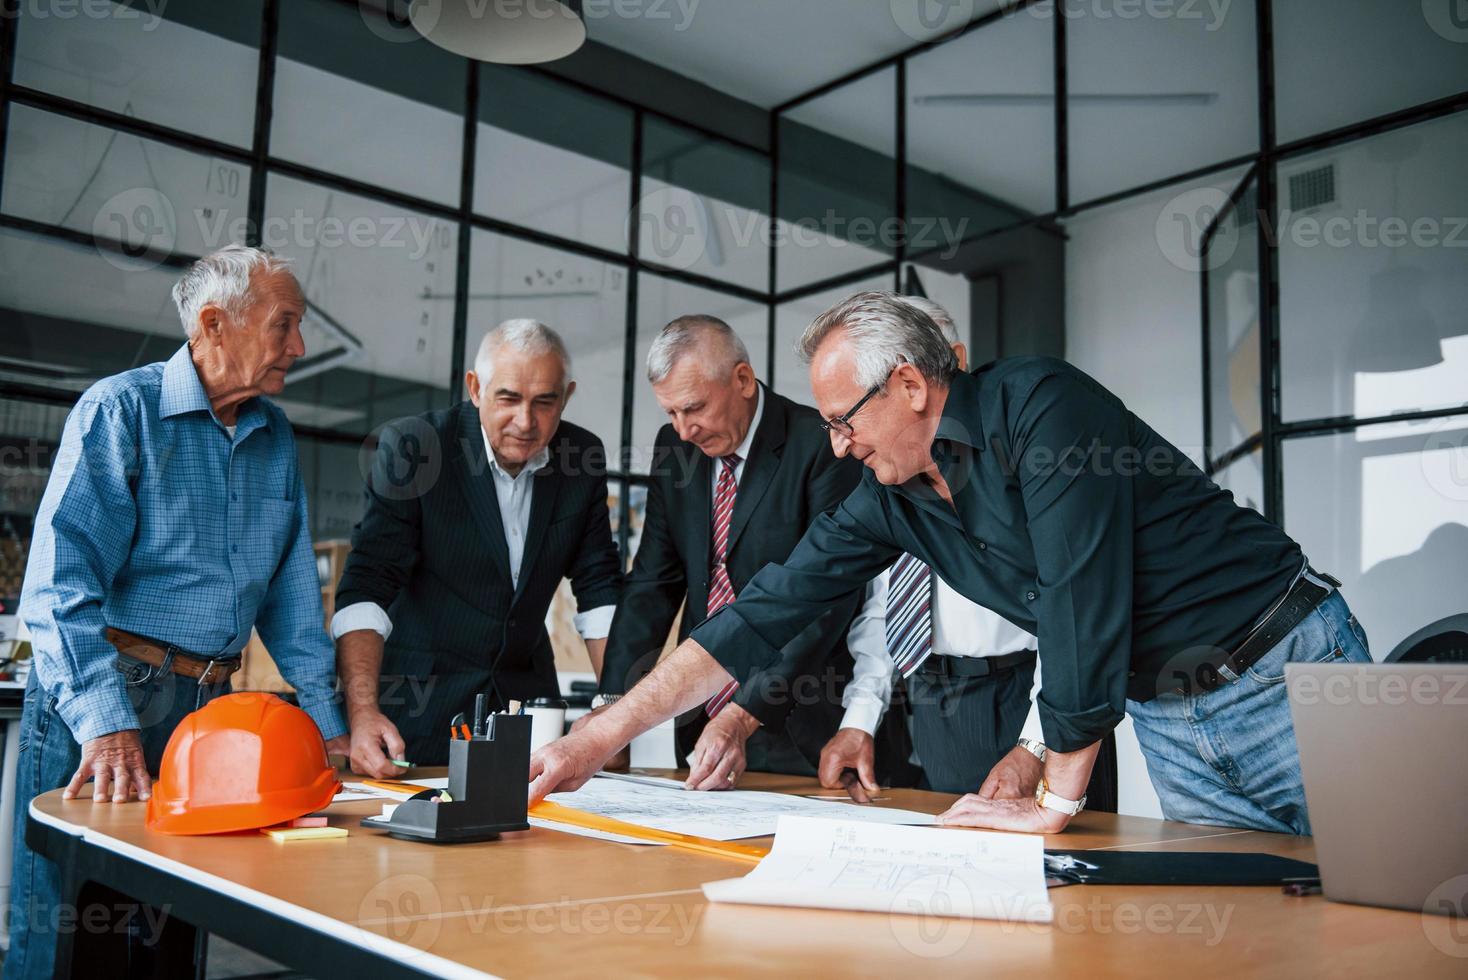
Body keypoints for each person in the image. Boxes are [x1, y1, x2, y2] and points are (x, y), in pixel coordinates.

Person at [530, 290, 1371, 836]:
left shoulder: (1041, 404)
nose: (837, 443)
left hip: (1282, 673)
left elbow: (1083, 592)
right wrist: (597, 738)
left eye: (843, 418)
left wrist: (1055, 797)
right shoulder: (888, 493)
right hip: (1167, 716)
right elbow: (766, 610)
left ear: (908, 385)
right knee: (1256, 926)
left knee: (1400, 899)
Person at [6, 244, 349, 979]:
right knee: (69, 937)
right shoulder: (120, 411)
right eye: (286, 324)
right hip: (105, 700)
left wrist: (328, 728)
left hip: (209, 714)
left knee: (171, 938)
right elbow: (58, 586)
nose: (300, 345)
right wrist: (105, 726)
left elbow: (291, 602)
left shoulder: (275, 435)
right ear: (215, 323)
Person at [590, 315, 907, 788]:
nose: (683, 430)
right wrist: (611, 709)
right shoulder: (674, 450)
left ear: (741, 379)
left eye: (694, 408)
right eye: (670, 413)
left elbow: (826, 599)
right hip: (701, 725)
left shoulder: (819, 444)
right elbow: (653, 584)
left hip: (802, 722)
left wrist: (744, 714)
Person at [333, 319, 621, 774]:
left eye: (545, 402)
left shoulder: (580, 458)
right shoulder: (417, 448)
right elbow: (368, 585)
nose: (526, 422)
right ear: (475, 388)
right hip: (416, 713)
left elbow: (600, 584)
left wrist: (615, 710)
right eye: (508, 398)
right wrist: (362, 711)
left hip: (528, 717)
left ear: (566, 396)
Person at [818, 296, 1046, 798]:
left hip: (1030, 691)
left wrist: (1039, 742)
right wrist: (859, 718)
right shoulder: (886, 480)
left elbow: (1072, 611)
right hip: (934, 698)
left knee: (1063, 863)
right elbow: (887, 608)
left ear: (951, 364)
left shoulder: (1019, 458)